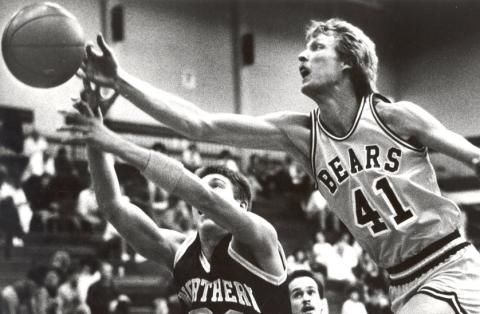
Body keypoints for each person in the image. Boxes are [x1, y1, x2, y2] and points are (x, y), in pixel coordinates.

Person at [79, 17, 480, 313]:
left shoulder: (396, 117)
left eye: (317, 48)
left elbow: (473, 156)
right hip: (398, 280)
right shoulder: (300, 134)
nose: (303, 56)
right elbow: (197, 124)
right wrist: (121, 82)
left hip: (448, 263)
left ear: (348, 63)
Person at [58, 82, 288, 313]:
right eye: (201, 187)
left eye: (216, 185)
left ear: (242, 205)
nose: (201, 197)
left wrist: (114, 142)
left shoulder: (260, 239)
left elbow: (203, 198)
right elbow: (113, 207)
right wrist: (94, 138)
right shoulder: (179, 250)